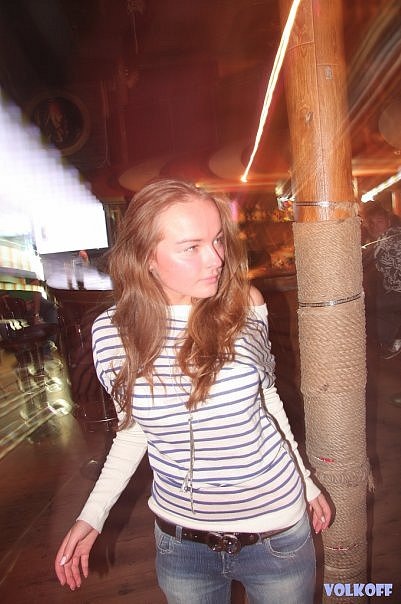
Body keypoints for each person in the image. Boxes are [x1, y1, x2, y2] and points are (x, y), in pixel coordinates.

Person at [54, 179, 331, 604]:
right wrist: (93, 514)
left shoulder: (245, 305)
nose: (217, 258)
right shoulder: (112, 332)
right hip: (182, 544)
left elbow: (267, 401)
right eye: (192, 247)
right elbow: (134, 430)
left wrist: (307, 483)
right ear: (146, 257)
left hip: (276, 531)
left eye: (218, 240)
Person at [362, 203, 401, 359]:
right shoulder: (388, 236)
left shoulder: (388, 239)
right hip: (393, 286)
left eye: (379, 221)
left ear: (388, 221)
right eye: (371, 223)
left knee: (377, 305)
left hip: (395, 289)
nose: (375, 226)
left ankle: (390, 342)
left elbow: (365, 262)